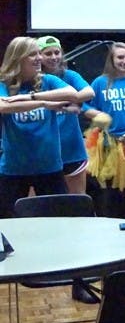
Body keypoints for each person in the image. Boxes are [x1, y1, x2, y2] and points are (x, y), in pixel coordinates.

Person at [0, 36, 79, 217]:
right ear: (18, 58)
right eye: (32, 55)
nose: (39, 58)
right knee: (7, 223)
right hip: (14, 168)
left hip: (49, 166)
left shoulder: (48, 81)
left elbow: (72, 93)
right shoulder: (4, 83)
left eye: (38, 54)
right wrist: (44, 104)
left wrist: (33, 97)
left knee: (59, 220)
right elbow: (3, 106)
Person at [84, 42, 125, 219]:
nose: (124, 61)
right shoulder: (100, 82)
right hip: (108, 145)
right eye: (120, 57)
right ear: (111, 60)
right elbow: (85, 107)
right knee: (108, 194)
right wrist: (98, 115)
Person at [37, 35, 95, 196]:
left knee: (76, 200)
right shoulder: (31, 80)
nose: (54, 57)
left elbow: (89, 92)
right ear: (38, 56)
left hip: (71, 150)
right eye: (48, 53)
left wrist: (69, 100)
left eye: (57, 52)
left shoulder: (70, 76)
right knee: (38, 203)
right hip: (42, 152)